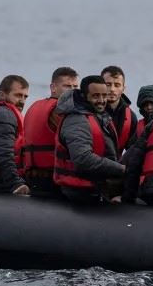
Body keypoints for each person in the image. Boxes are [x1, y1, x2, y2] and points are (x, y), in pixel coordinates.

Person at [53, 75, 125, 204]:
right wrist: (121, 169)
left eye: (104, 95)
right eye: (96, 96)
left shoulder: (98, 116)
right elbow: (82, 159)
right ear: (84, 96)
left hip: (96, 189)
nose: (101, 100)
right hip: (79, 194)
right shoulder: (76, 120)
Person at [15, 66, 78, 197]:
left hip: (32, 177)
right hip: (53, 178)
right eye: (67, 86)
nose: (72, 91)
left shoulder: (33, 106)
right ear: (53, 88)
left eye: (75, 87)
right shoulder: (61, 111)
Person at [101, 65, 138, 153]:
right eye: (108, 85)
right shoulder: (89, 112)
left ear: (123, 89)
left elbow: (133, 152)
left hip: (117, 161)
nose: (112, 89)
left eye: (117, 85)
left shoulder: (131, 117)